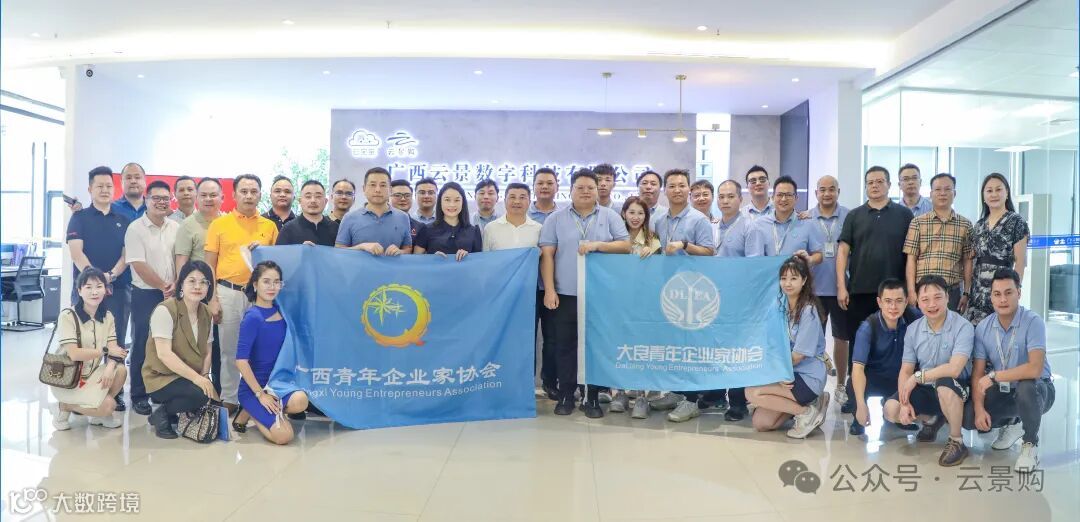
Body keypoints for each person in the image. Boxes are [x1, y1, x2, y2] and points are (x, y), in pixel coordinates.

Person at [540, 168, 631, 418]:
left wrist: (599, 245)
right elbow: (547, 255)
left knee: (594, 346)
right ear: (570, 190)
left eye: (590, 187)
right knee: (565, 345)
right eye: (580, 187)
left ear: (597, 190)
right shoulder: (555, 219)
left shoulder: (609, 216)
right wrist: (549, 290)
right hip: (565, 294)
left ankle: (591, 397)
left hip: (599, 294)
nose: (585, 191)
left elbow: (626, 245)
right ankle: (566, 395)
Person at [964, 269, 1054, 472]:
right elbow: (977, 374)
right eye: (997, 294)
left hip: (1039, 389)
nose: (1003, 299)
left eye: (1008, 293)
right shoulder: (983, 328)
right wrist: (979, 409)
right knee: (968, 418)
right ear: (991, 297)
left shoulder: (1033, 322)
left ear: (1019, 293)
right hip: (1006, 389)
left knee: (1026, 387)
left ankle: (1030, 444)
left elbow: (1035, 368)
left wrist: (995, 376)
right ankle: (1014, 423)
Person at [648, 169, 718, 422]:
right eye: (672, 186)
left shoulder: (698, 219)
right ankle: (676, 392)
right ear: (665, 190)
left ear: (689, 189)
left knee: (691, 346)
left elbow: (709, 252)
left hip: (693, 291)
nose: (677, 190)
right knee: (675, 345)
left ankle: (691, 400)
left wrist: (685, 245)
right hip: (669, 290)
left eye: (681, 185)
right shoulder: (659, 220)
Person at [205, 174, 279, 411]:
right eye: (244, 191)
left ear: (260, 194)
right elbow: (209, 265)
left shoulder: (269, 227)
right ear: (234, 195)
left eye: (253, 191)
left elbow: (276, 263)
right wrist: (212, 299)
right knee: (229, 349)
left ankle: (257, 396)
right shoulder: (219, 224)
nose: (249, 196)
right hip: (228, 292)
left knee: (260, 348)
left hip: (260, 296)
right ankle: (229, 397)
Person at [883, 275, 975, 467]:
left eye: (937, 297)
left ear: (947, 297)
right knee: (891, 409)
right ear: (917, 301)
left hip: (955, 388)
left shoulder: (963, 327)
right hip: (927, 388)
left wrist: (918, 377)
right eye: (925, 299)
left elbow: (954, 369)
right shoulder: (913, 330)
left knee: (944, 384)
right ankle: (935, 418)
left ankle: (957, 441)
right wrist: (904, 402)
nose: (932, 304)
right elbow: (906, 370)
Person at [66, 166, 131, 411]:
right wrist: (96, 280)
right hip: (85, 290)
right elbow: (76, 253)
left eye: (109, 186)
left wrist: (111, 275)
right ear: (90, 189)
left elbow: (126, 255)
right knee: (83, 339)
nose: (105, 190)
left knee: (117, 339)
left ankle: (114, 391)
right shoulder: (79, 217)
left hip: (117, 288)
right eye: (99, 186)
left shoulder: (123, 220)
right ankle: (77, 389)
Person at [745, 256, 830, 438]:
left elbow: (798, 355)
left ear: (804, 280)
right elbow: (769, 345)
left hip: (807, 377)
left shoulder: (808, 311)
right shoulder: (779, 306)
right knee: (762, 423)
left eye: (793, 278)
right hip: (787, 373)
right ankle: (812, 405)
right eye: (783, 278)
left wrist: (778, 372)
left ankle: (806, 413)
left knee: (752, 392)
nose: (788, 283)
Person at [837, 166, 914, 356]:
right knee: (859, 342)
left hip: (895, 293)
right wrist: (841, 287)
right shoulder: (854, 216)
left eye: (880, 181)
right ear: (865, 187)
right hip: (860, 291)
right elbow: (843, 252)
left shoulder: (904, 215)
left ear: (889, 184)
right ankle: (856, 376)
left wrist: (911, 289)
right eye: (870, 182)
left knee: (895, 342)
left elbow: (912, 255)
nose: (875, 186)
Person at [231, 261, 310, 444]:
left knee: (301, 401)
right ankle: (251, 408)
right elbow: (241, 361)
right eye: (266, 281)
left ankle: (252, 412)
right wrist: (260, 395)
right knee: (284, 437)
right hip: (255, 388)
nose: (272, 287)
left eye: (276, 282)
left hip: (278, 384)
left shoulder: (283, 311)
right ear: (255, 284)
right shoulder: (252, 318)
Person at [124, 180, 181, 416]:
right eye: (156, 198)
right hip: (146, 294)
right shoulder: (135, 229)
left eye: (165, 198)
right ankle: (139, 394)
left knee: (168, 343)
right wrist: (162, 286)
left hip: (172, 293)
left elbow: (181, 258)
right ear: (146, 200)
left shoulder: (175, 227)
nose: (161, 202)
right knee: (142, 343)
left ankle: (160, 390)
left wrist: (175, 284)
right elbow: (138, 264)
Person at [143, 261, 217, 439]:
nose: (198, 286)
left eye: (204, 282)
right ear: (181, 284)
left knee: (208, 393)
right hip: (161, 376)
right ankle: (161, 414)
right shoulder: (166, 310)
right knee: (199, 394)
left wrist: (205, 376)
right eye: (192, 281)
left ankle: (172, 410)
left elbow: (208, 350)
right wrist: (198, 379)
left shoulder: (206, 313)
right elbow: (164, 354)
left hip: (188, 375)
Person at [50, 268, 128, 431]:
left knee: (120, 370)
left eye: (99, 286)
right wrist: (105, 352)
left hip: (91, 375)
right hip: (68, 379)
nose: (94, 292)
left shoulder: (107, 316)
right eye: (88, 287)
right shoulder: (68, 316)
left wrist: (110, 367)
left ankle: (98, 413)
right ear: (79, 291)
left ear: (106, 290)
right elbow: (74, 354)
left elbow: (114, 349)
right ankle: (66, 406)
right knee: (109, 405)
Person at [847, 279, 921, 435]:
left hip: (903, 378)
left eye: (899, 301)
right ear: (879, 302)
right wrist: (860, 405)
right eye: (888, 301)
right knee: (852, 385)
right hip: (875, 377)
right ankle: (859, 417)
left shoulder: (915, 319)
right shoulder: (868, 327)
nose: (893, 307)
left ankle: (898, 413)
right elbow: (858, 368)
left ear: (906, 301)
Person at [174, 177, 224, 394]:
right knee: (196, 344)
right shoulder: (188, 225)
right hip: (198, 294)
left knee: (220, 346)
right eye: (203, 195)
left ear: (222, 197)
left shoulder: (226, 222)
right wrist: (184, 296)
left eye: (213, 195)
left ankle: (218, 392)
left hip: (224, 291)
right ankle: (195, 391)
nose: (208, 199)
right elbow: (181, 263)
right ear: (197, 197)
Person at [612, 196, 660, 419]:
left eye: (640, 213)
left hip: (643, 303)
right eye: (631, 212)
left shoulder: (653, 239)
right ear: (623, 214)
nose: (635, 217)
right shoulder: (614, 237)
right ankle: (620, 393)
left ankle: (641, 397)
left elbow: (658, 273)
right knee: (619, 347)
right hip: (617, 302)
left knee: (641, 348)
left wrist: (652, 255)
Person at [806, 176, 851, 408]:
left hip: (842, 289)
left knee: (841, 338)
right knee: (814, 341)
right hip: (815, 290)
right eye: (822, 190)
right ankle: (815, 388)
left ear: (838, 191)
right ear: (816, 193)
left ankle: (841, 385)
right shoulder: (805, 218)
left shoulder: (850, 216)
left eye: (831, 189)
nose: (827, 194)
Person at [966, 173, 1030, 325]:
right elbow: (972, 258)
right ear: (983, 196)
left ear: (1007, 193)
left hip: (1002, 290)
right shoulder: (979, 225)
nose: (994, 194)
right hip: (978, 292)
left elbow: (1020, 262)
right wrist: (967, 292)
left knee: (999, 331)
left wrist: (1015, 290)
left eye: (998, 189)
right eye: (989, 191)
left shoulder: (1016, 222)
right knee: (977, 332)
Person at [903, 173, 973, 312]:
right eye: (938, 189)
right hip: (922, 291)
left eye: (947, 189)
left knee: (951, 326)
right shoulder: (917, 223)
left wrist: (966, 292)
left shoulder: (965, 225)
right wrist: (911, 291)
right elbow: (911, 259)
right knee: (921, 326)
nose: (942, 193)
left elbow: (967, 260)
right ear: (931, 194)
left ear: (954, 193)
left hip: (952, 292)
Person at [336, 167, 413, 255]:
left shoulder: (403, 217)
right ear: (364, 189)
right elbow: (338, 250)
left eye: (383, 185)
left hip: (393, 264)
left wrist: (400, 251)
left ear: (390, 190)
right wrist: (361, 247)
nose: (377, 190)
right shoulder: (349, 218)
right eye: (372, 185)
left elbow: (408, 249)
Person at [414, 182, 483, 259]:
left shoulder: (473, 231)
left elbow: (479, 261)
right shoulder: (426, 229)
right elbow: (416, 260)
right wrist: (431, 258)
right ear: (440, 202)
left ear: (463, 202)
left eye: (457, 200)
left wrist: (469, 257)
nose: (452, 204)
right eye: (447, 200)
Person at [277, 180, 339, 247]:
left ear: (325, 201)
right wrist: (299, 250)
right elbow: (279, 253)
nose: (313, 201)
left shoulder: (335, 228)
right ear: (300, 201)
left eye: (318, 196)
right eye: (308, 196)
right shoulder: (288, 229)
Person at [483, 183, 542, 251]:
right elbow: (485, 256)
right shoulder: (490, 228)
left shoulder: (539, 229)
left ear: (529, 202)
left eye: (522, 197)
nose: (517, 201)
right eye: (512, 197)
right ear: (505, 201)